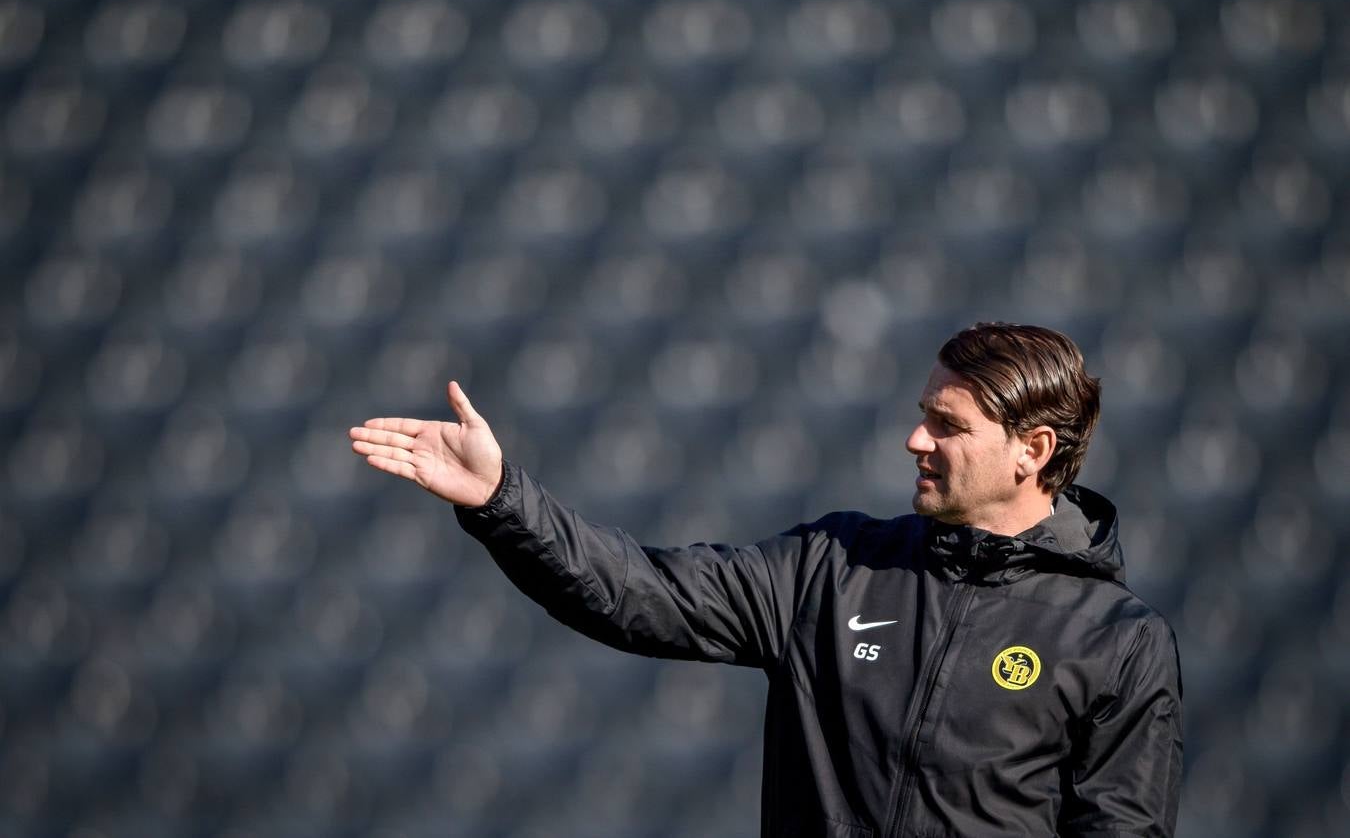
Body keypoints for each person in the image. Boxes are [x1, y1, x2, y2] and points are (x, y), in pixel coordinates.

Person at [349, 322, 1183, 837]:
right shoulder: (834, 567)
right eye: (922, 413)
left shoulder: (1117, 642)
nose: (914, 440)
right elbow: (639, 595)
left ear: (1032, 452)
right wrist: (502, 499)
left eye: (946, 424)